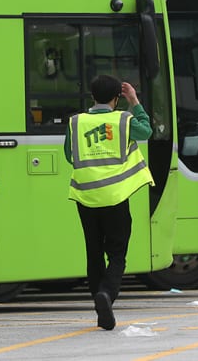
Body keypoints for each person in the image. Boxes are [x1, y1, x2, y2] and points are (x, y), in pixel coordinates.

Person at [64, 74, 154, 331]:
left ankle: (98, 301)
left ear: (92, 96)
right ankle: (107, 294)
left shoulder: (76, 122)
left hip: (86, 197)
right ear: (117, 99)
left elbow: (70, 155)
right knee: (116, 253)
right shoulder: (124, 120)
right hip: (115, 198)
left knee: (93, 252)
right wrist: (134, 101)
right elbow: (146, 131)